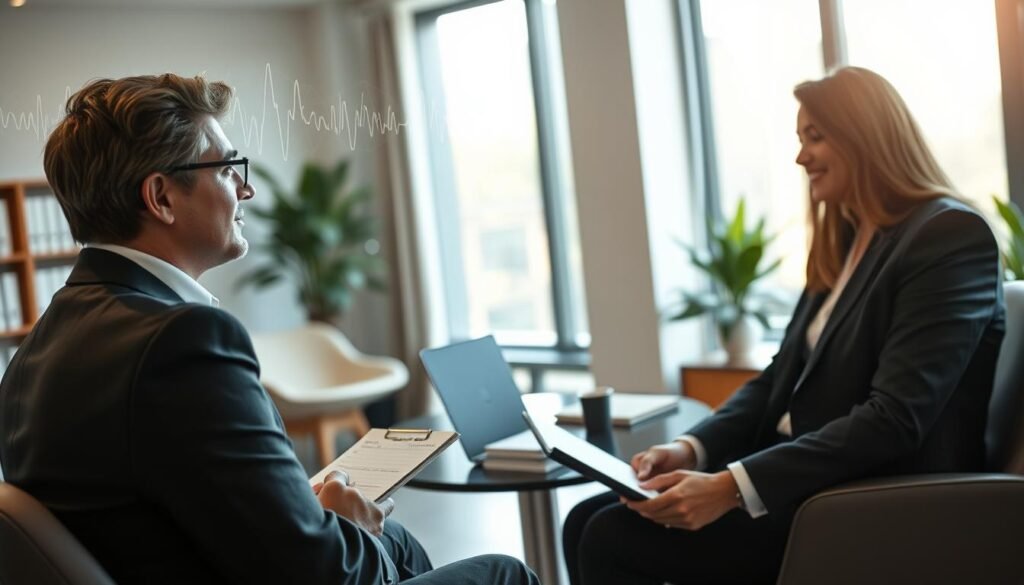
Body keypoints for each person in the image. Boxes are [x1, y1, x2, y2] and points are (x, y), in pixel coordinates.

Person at [0, 74, 538, 585]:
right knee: (503, 571)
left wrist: (301, 506)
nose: (245, 191)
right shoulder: (181, 342)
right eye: (228, 169)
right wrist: (345, 526)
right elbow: (322, 574)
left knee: (393, 541)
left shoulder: (38, 349)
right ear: (161, 197)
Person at [563, 66, 1005, 585]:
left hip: (864, 498)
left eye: (815, 137)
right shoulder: (847, 240)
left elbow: (895, 418)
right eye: (799, 139)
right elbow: (778, 378)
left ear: (866, 135)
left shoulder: (948, 235)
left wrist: (729, 486)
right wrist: (692, 448)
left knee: (607, 536)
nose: (801, 157)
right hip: (798, 477)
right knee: (582, 520)